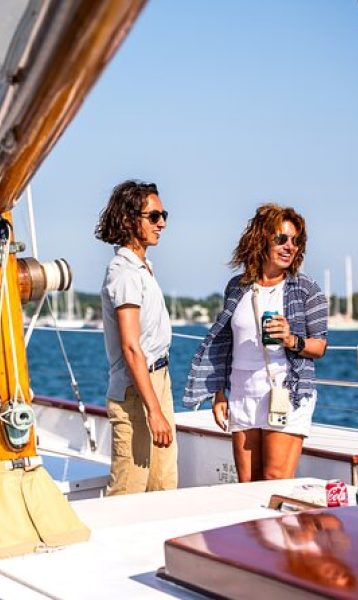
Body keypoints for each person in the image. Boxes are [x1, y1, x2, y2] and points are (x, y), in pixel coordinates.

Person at [184, 204, 328, 482]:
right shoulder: (237, 287)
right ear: (261, 239)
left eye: (296, 241)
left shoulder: (306, 289)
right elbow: (225, 345)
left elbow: (320, 346)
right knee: (248, 485)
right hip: (242, 394)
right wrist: (219, 394)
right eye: (281, 239)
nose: (290, 246)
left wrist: (290, 339)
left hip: (286, 393)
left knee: (275, 481)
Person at [96, 180, 176, 496]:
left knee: (163, 484)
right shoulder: (125, 271)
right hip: (136, 391)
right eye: (154, 216)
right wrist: (153, 411)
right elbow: (131, 347)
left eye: (163, 215)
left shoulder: (142, 267)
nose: (162, 223)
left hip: (157, 380)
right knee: (128, 490)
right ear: (131, 220)